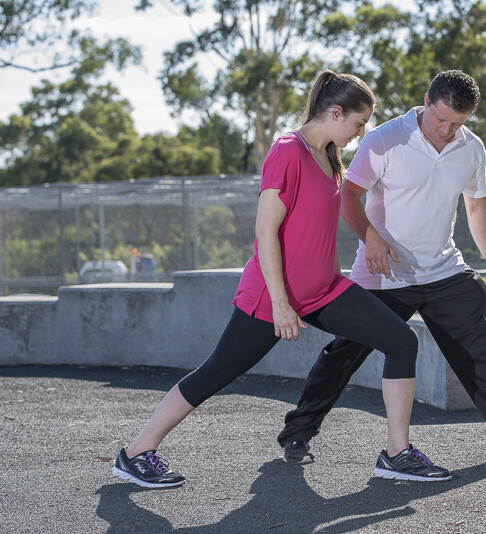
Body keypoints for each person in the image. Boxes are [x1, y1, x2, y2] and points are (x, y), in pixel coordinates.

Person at [112, 70, 452, 489]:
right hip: (272, 296)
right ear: (335, 111)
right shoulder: (286, 151)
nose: (360, 134)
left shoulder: (328, 154)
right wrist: (280, 303)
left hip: (324, 289)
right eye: (358, 124)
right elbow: (265, 232)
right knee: (216, 372)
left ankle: (397, 454)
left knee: (402, 341)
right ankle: (135, 453)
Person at [278, 70, 486, 467]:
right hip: (383, 273)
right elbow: (350, 197)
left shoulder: (471, 148)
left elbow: (477, 206)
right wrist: (371, 238)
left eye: (457, 123)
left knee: (483, 350)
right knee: (344, 355)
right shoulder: (384, 139)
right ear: (426, 100)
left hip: (442, 270)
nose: (447, 130)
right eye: (440, 119)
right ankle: (298, 434)